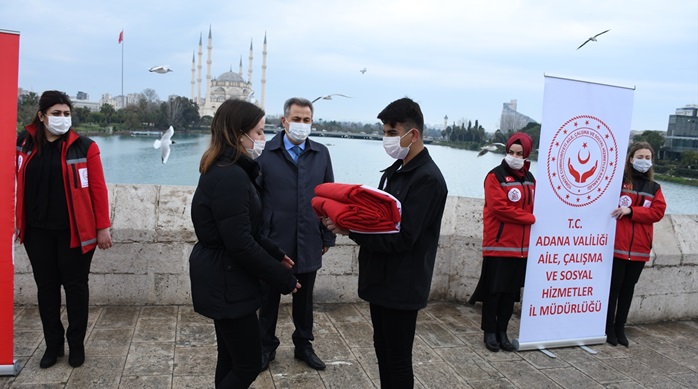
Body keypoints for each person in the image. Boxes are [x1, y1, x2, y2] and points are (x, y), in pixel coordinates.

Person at [323, 97, 448, 388]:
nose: (386, 139)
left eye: (392, 133)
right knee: (383, 351)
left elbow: (402, 237)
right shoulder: (397, 171)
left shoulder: (427, 179)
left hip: (403, 284)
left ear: (412, 134)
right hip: (382, 280)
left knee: (398, 358)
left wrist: (349, 229)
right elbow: (380, 220)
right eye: (385, 132)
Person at [188, 99, 301, 388]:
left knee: (229, 359)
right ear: (240, 134)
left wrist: (275, 253)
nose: (264, 138)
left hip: (224, 277)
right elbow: (238, 242)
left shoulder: (226, 168)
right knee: (248, 364)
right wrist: (282, 279)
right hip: (227, 281)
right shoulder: (231, 176)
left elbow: (241, 229)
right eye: (260, 132)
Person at [15, 90, 113, 369]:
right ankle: (53, 345)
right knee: (46, 289)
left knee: (76, 288)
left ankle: (77, 345)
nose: (62, 119)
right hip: (36, 231)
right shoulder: (23, 143)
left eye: (66, 114)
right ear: (42, 116)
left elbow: (98, 189)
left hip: (75, 232)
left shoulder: (84, 147)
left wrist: (102, 227)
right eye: (56, 114)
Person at [256, 97, 335, 371]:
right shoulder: (265, 152)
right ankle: (265, 346)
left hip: (309, 238)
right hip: (273, 241)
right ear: (285, 121)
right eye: (297, 119)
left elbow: (329, 198)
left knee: (305, 300)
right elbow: (255, 199)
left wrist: (328, 237)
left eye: (307, 120)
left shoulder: (321, 154)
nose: (302, 124)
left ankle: (303, 345)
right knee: (268, 299)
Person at [471, 132, 536, 353]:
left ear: (526, 154)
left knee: (510, 293)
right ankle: (489, 332)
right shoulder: (494, 176)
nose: (514, 156)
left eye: (519, 153)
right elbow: (499, 208)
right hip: (498, 245)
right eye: (510, 152)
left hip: (521, 248)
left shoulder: (531, 179)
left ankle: (502, 331)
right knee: (494, 291)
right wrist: (529, 218)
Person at [606, 141, 666, 347]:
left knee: (628, 289)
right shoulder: (619, 182)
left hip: (640, 248)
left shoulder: (654, 188)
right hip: (618, 246)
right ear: (631, 159)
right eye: (640, 157)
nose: (644, 161)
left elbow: (658, 212)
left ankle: (620, 327)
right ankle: (607, 328)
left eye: (647, 158)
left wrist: (632, 211)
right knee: (613, 288)